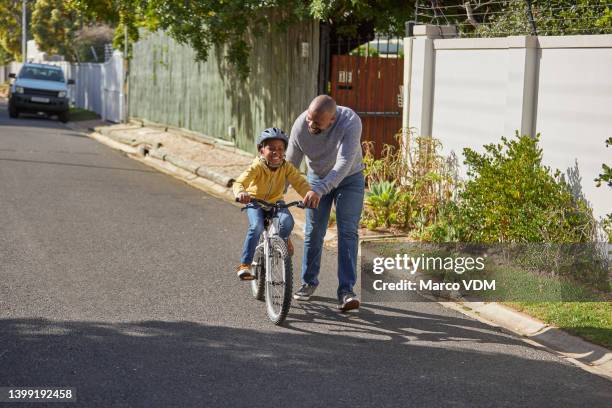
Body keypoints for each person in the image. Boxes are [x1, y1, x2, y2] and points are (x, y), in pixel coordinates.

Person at [286, 95, 365, 312]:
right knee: (314, 231)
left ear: (332, 120)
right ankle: (308, 282)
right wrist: (276, 193)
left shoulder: (350, 121)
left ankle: (346, 292)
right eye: (310, 118)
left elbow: (343, 163)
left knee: (348, 232)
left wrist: (319, 191)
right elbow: (291, 165)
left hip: (350, 178)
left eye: (317, 123)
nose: (310, 124)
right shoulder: (301, 125)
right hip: (317, 177)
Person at [233, 127, 312, 280]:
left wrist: (309, 194)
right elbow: (240, 182)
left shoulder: (286, 167)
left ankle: (282, 240)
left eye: (281, 149)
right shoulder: (257, 166)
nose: (277, 152)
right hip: (255, 201)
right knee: (256, 226)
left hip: (276, 201)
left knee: (287, 222)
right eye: (271, 148)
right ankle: (245, 264)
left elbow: (300, 182)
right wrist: (241, 193)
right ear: (261, 151)